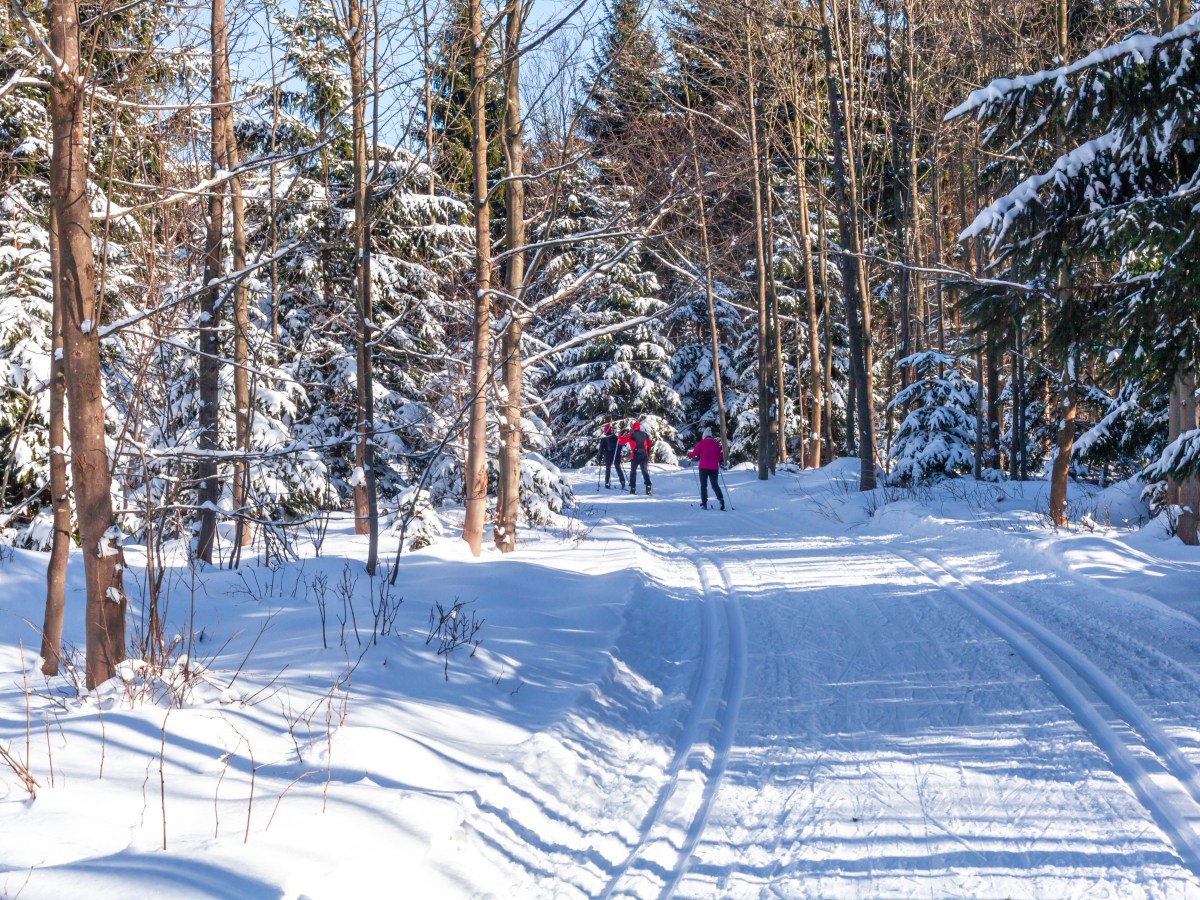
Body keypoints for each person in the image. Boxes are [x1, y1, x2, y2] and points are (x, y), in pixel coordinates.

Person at [687, 427, 725, 510]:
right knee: (715, 485)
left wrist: (690, 455)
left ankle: (704, 503)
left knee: (703, 486)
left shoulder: (701, 443)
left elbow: (694, 453)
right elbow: (719, 457)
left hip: (703, 467)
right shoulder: (716, 444)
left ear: (704, 436)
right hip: (714, 468)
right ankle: (721, 500)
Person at [621, 421, 653, 495]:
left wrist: (620, 436)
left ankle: (632, 488)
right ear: (639, 427)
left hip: (635, 455)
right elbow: (650, 443)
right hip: (644, 455)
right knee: (645, 471)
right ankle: (648, 487)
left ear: (633, 428)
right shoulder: (645, 434)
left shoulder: (631, 435)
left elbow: (621, 442)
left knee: (633, 472)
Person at [598, 423, 625, 489]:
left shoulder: (604, 439)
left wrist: (600, 457)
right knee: (618, 468)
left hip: (608, 455)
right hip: (616, 455)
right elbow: (620, 445)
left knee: (608, 468)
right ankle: (622, 481)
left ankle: (607, 483)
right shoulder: (616, 437)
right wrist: (618, 453)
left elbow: (601, 449)